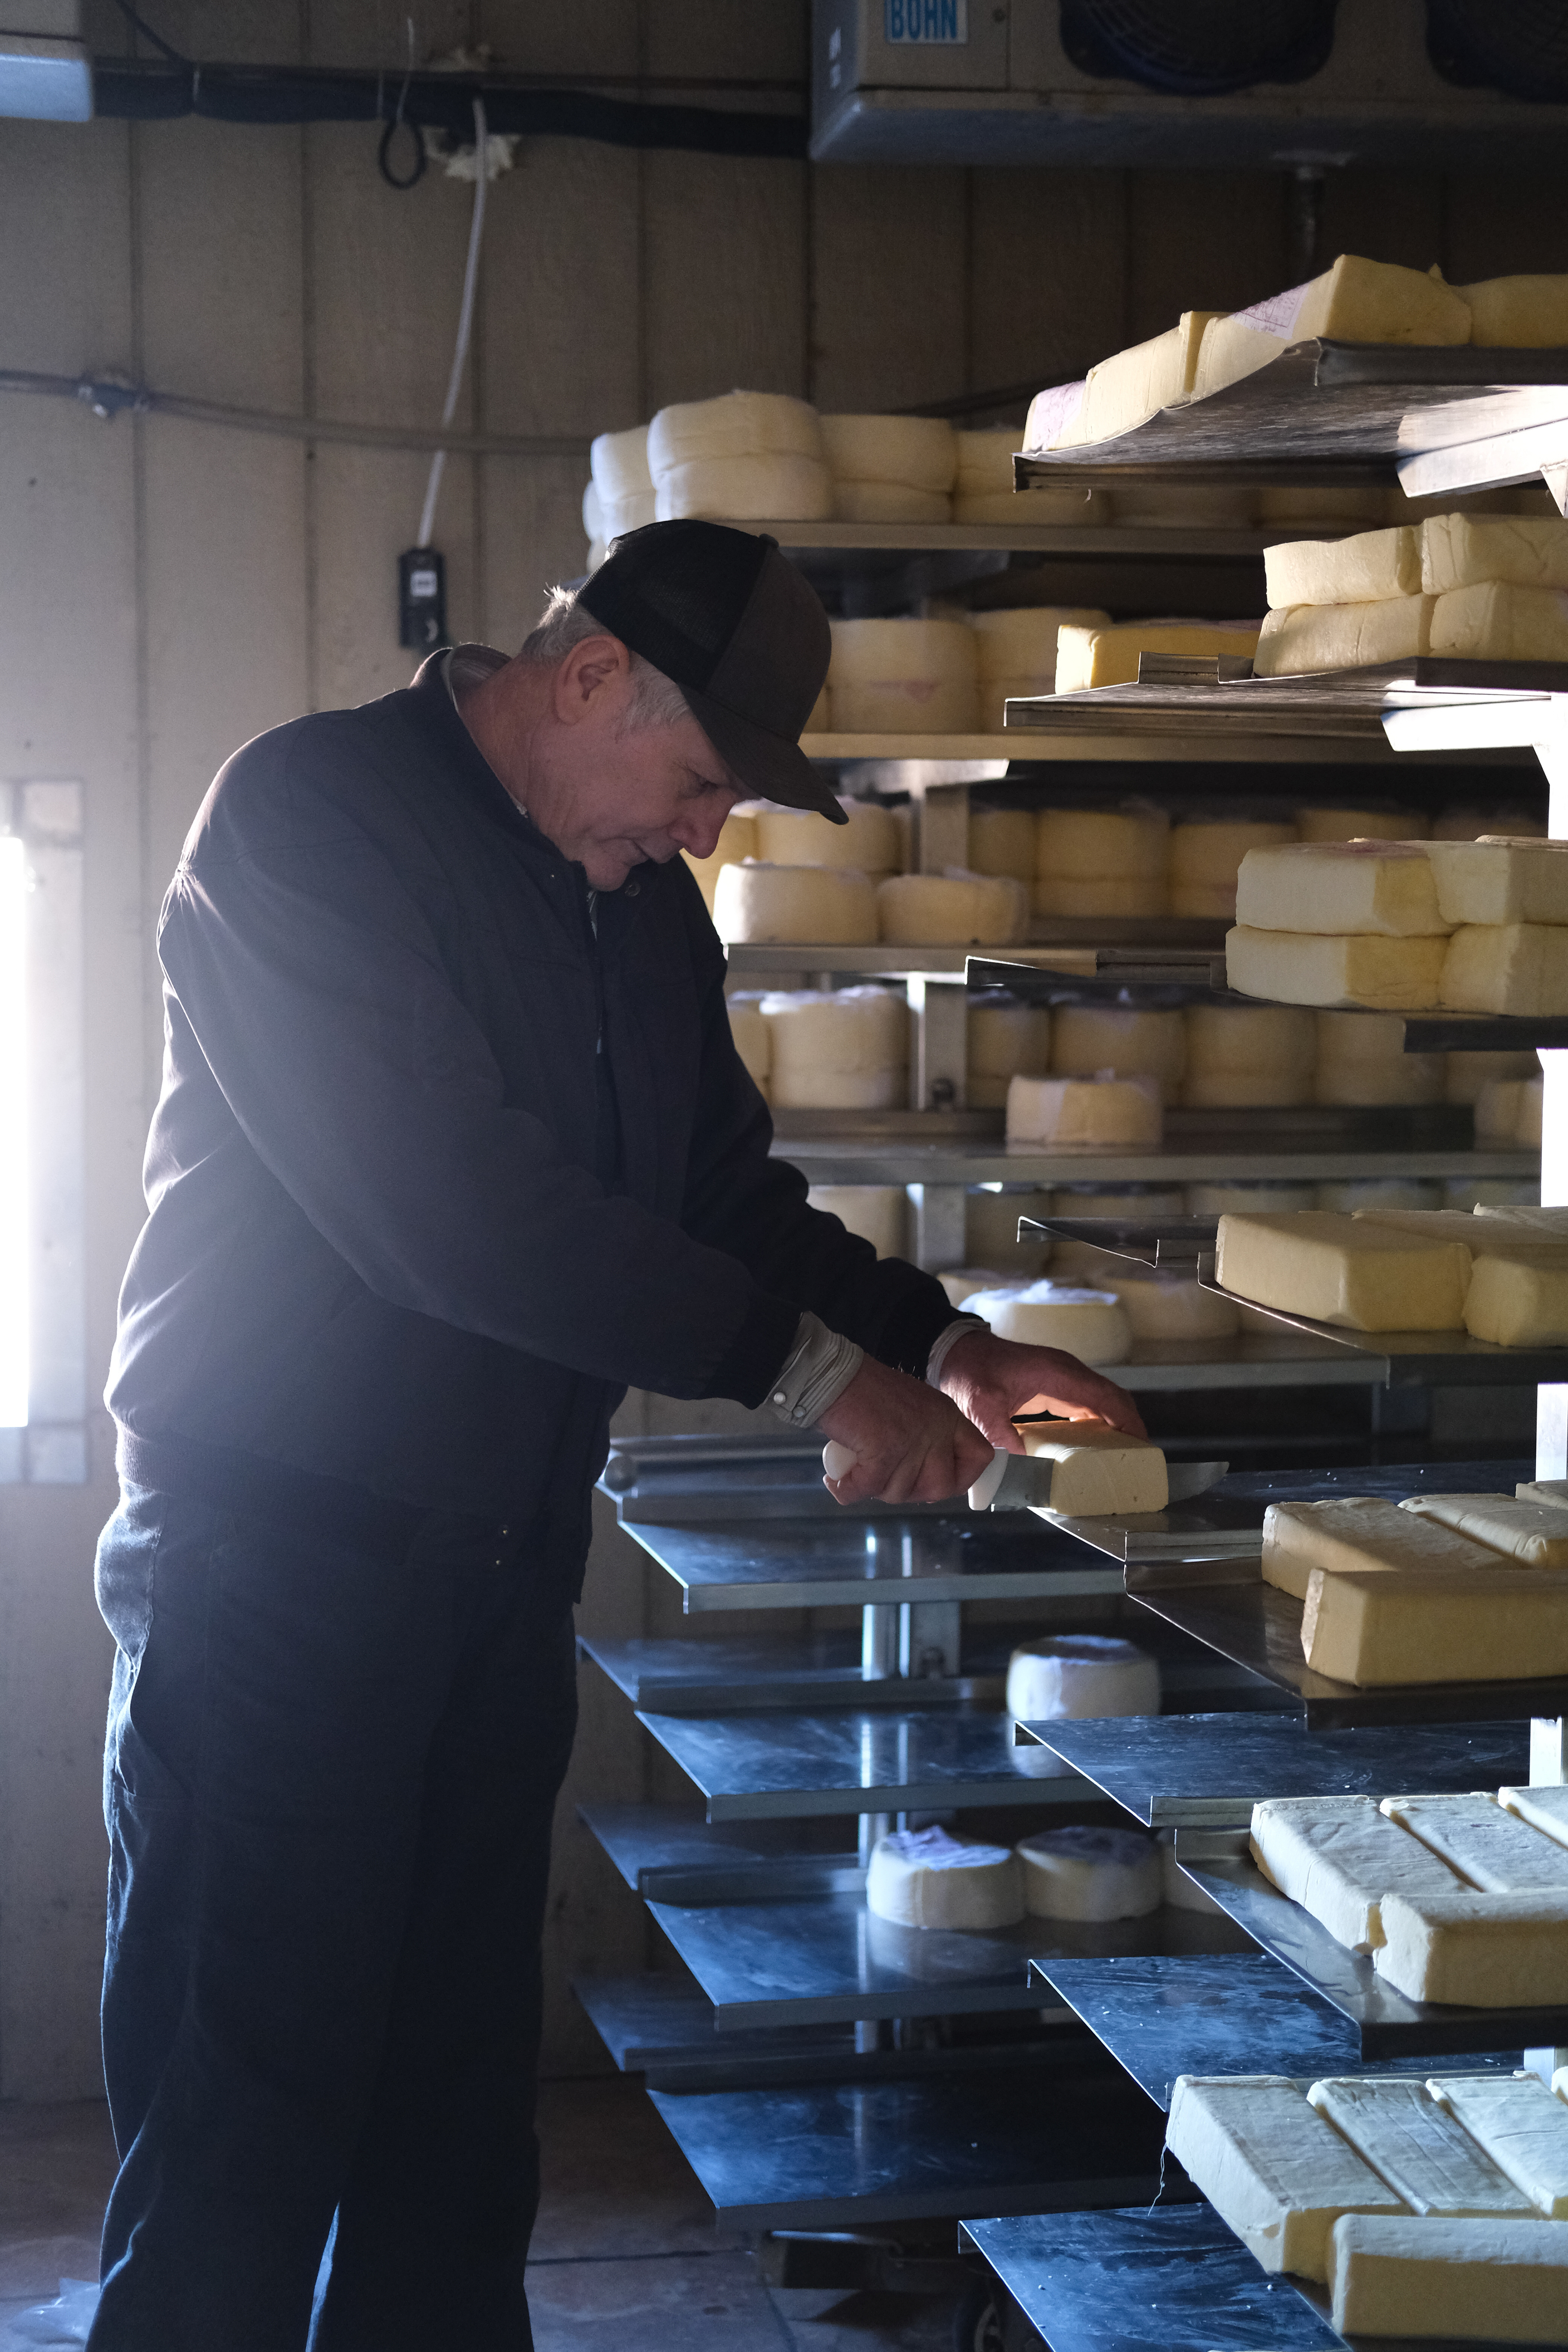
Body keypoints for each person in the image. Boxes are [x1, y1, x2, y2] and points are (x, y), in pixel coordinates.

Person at [88, 520, 1143, 2350]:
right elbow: (448, 1214)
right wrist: (820, 1380)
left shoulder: (641, 913)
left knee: (450, 2134)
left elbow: (718, 1194)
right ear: (588, 682)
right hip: (271, 1574)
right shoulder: (310, 823)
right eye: (705, 780)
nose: (709, 831)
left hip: (492, 1575)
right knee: (243, 2121)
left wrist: (940, 1341)